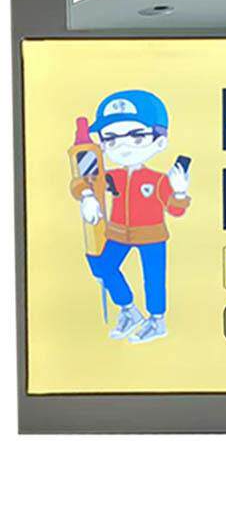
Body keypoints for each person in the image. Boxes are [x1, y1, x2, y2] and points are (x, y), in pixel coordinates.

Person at [70, 90, 190, 343]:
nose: (123, 146)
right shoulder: (113, 176)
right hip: (118, 234)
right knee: (102, 266)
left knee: (153, 280)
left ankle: (157, 321)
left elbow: (176, 210)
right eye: (111, 139)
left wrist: (180, 191)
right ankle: (128, 309)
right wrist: (87, 196)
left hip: (152, 236)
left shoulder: (158, 180)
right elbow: (83, 182)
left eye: (137, 136)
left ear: (160, 141)